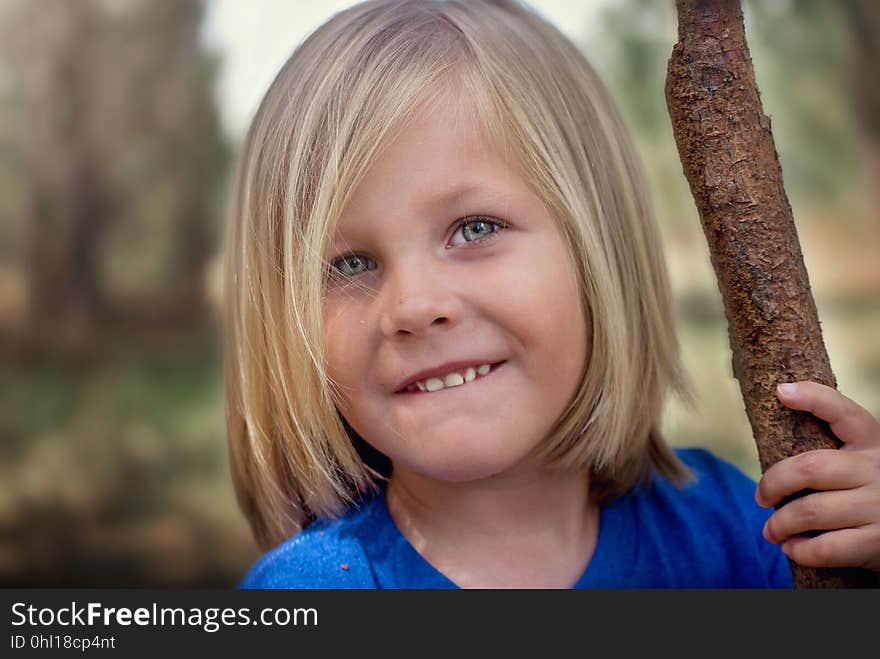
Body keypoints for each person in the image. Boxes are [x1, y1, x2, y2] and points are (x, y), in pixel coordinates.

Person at [225, 0, 880, 588]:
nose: (414, 305)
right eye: (349, 263)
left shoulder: (741, 533)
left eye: (474, 228)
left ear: (597, 249)